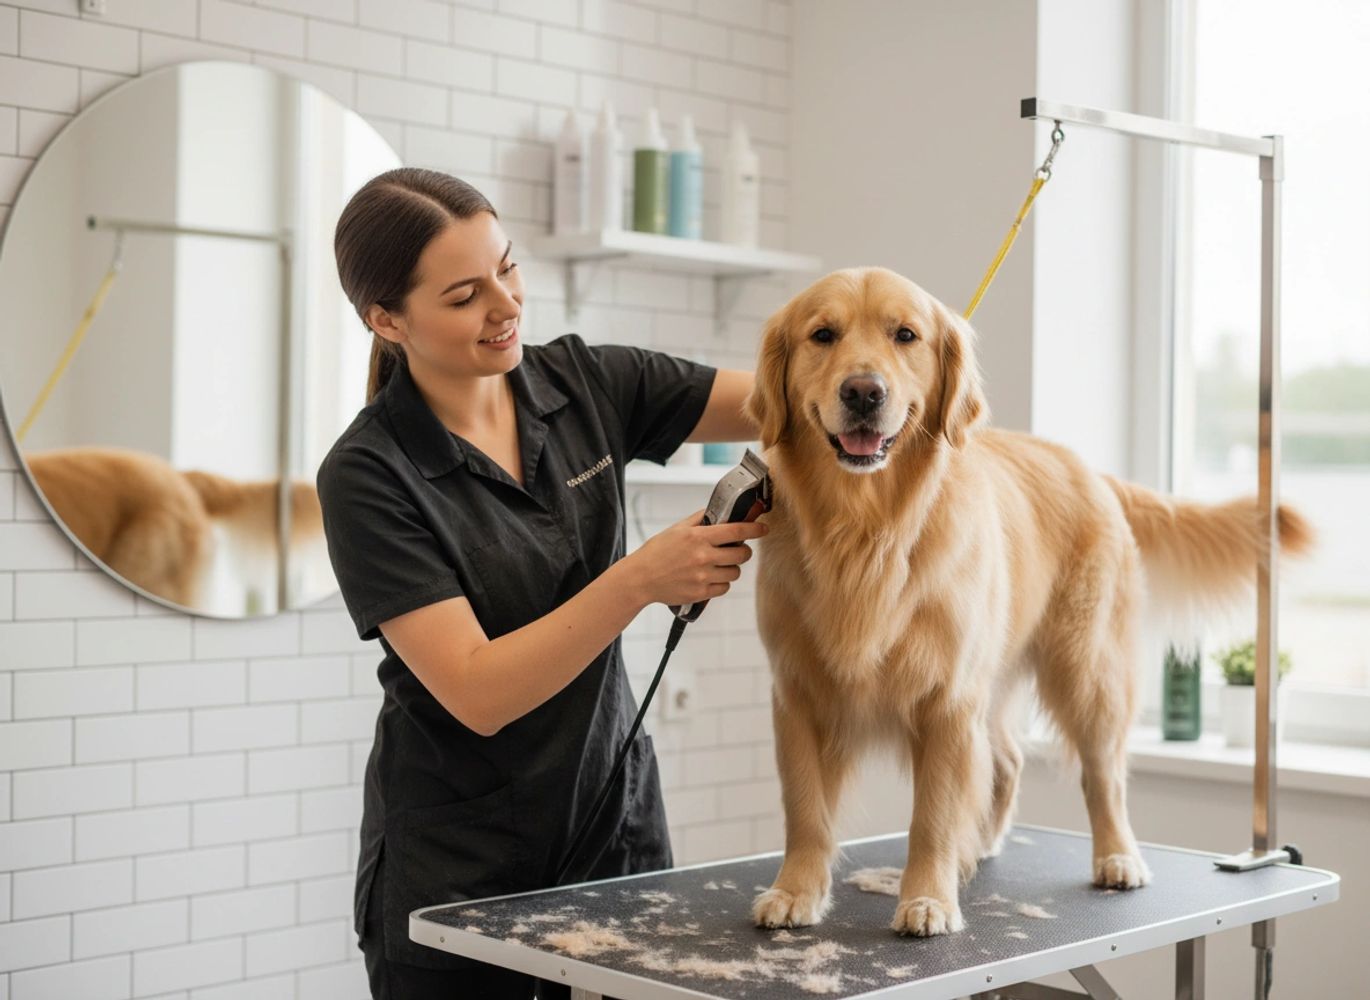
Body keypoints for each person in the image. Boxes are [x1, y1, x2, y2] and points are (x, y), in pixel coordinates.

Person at [317, 167, 766, 1000]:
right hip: (459, 875)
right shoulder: (369, 474)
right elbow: (478, 691)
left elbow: (782, 404)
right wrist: (638, 581)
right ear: (387, 320)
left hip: (614, 838)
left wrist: (887, 365)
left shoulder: (585, 383)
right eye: (464, 295)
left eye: (509, 268)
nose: (507, 304)